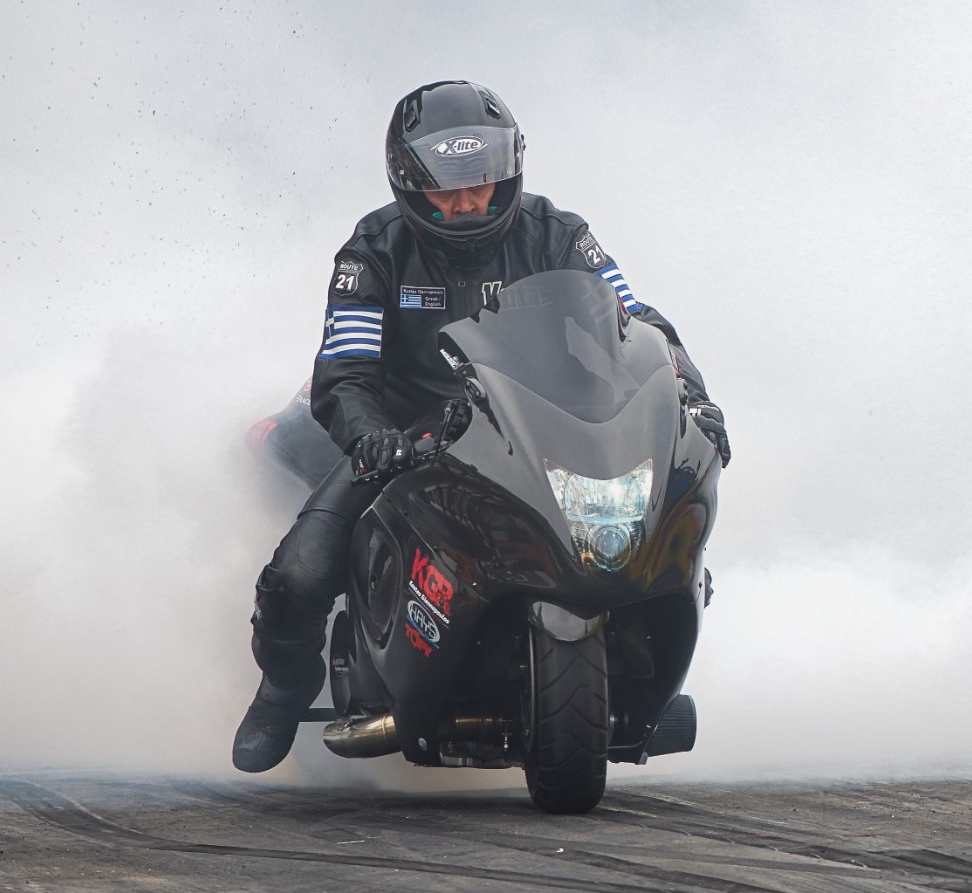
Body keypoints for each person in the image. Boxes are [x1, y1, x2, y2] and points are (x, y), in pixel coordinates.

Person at [232, 80, 730, 774]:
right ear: (411, 185)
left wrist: (693, 399)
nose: (468, 202)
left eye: (482, 184)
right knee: (297, 575)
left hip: (531, 427)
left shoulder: (560, 234)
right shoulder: (372, 250)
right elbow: (344, 371)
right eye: (448, 189)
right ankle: (284, 688)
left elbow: (639, 326)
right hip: (409, 437)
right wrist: (371, 436)